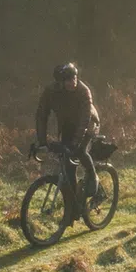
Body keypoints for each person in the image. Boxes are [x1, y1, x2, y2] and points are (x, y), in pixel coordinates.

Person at [35, 62, 102, 201]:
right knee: (68, 166)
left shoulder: (83, 91)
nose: (73, 82)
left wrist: (75, 143)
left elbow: (85, 119)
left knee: (80, 151)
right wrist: (42, 142)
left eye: (74, 78)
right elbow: (41, 115)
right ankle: (73, 204)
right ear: (59, 82)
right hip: (68, 126)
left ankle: (92, 176)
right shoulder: (51, 92)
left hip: (89, 124)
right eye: (68, 80)